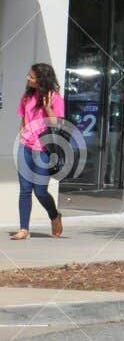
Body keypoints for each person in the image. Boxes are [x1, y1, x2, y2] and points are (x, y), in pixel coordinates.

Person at [13, 62, 63, 240]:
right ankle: (23, 229)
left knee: (40, 191)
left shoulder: (55, 98)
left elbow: (57, 124)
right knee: (25, 190)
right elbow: (23, 119)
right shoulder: (27, 97)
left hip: (43, 150)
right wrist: (22, 134)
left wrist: (48, 108)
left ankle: (54, 215)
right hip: (25, 147)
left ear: (41, 80)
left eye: (31, 76)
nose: (28, 78)